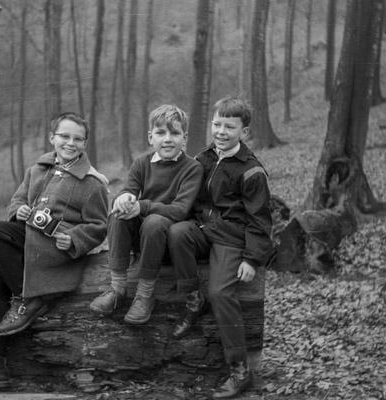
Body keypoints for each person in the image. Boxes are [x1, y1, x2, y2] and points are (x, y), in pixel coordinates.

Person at [0, 112, 109, 392]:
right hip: (25, 251)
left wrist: (72, 238)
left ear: (85, 144)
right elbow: (18, 200)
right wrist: (18, 210)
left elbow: (98, 226)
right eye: (64, 136)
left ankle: (29, 298)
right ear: (52, 138)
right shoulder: (37, 170)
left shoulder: (92, 183)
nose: (70, 143)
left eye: (77, 139)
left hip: (54, 256)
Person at [167, 97, 273, 399]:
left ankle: (240, 369)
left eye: (230, 126)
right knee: (177, 233)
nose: (221, 131)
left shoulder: (252, 172)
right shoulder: (204, 159)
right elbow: (188, 200)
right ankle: (192, 298)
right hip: (202, 229)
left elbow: (261, 221)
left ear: (245, 132)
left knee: (220, 292)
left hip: (231, 237)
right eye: (217, 124)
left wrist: (252, 259)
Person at [89, 104, 203, 325]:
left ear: (185, 138)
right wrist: (123, 198)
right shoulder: (142, 163)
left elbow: (180, 210)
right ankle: (117, 288)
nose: (167, 139)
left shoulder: (192, 168)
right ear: (151, 137)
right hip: (142, 240)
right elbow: (129, 191)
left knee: (154, 221)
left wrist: (143, 206)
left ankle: (145, 294)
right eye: (161, 133)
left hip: (168, 241)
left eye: (175, 133)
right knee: (117, 214)